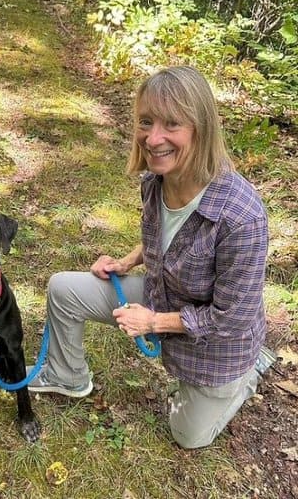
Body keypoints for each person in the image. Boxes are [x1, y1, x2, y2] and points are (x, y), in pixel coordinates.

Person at [25, 66, 275, 449]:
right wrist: (126, 262)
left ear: (201, 128)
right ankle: (66, 374)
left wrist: (154, 321)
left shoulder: (242, 216)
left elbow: (231, 318)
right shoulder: (156, 181)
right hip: (164, 296)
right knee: (63, 289)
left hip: (217, 348)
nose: (153, 138)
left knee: (188, 436)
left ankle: (250, 372)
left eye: (171, 124)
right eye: (146, 122)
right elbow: (167, 240)